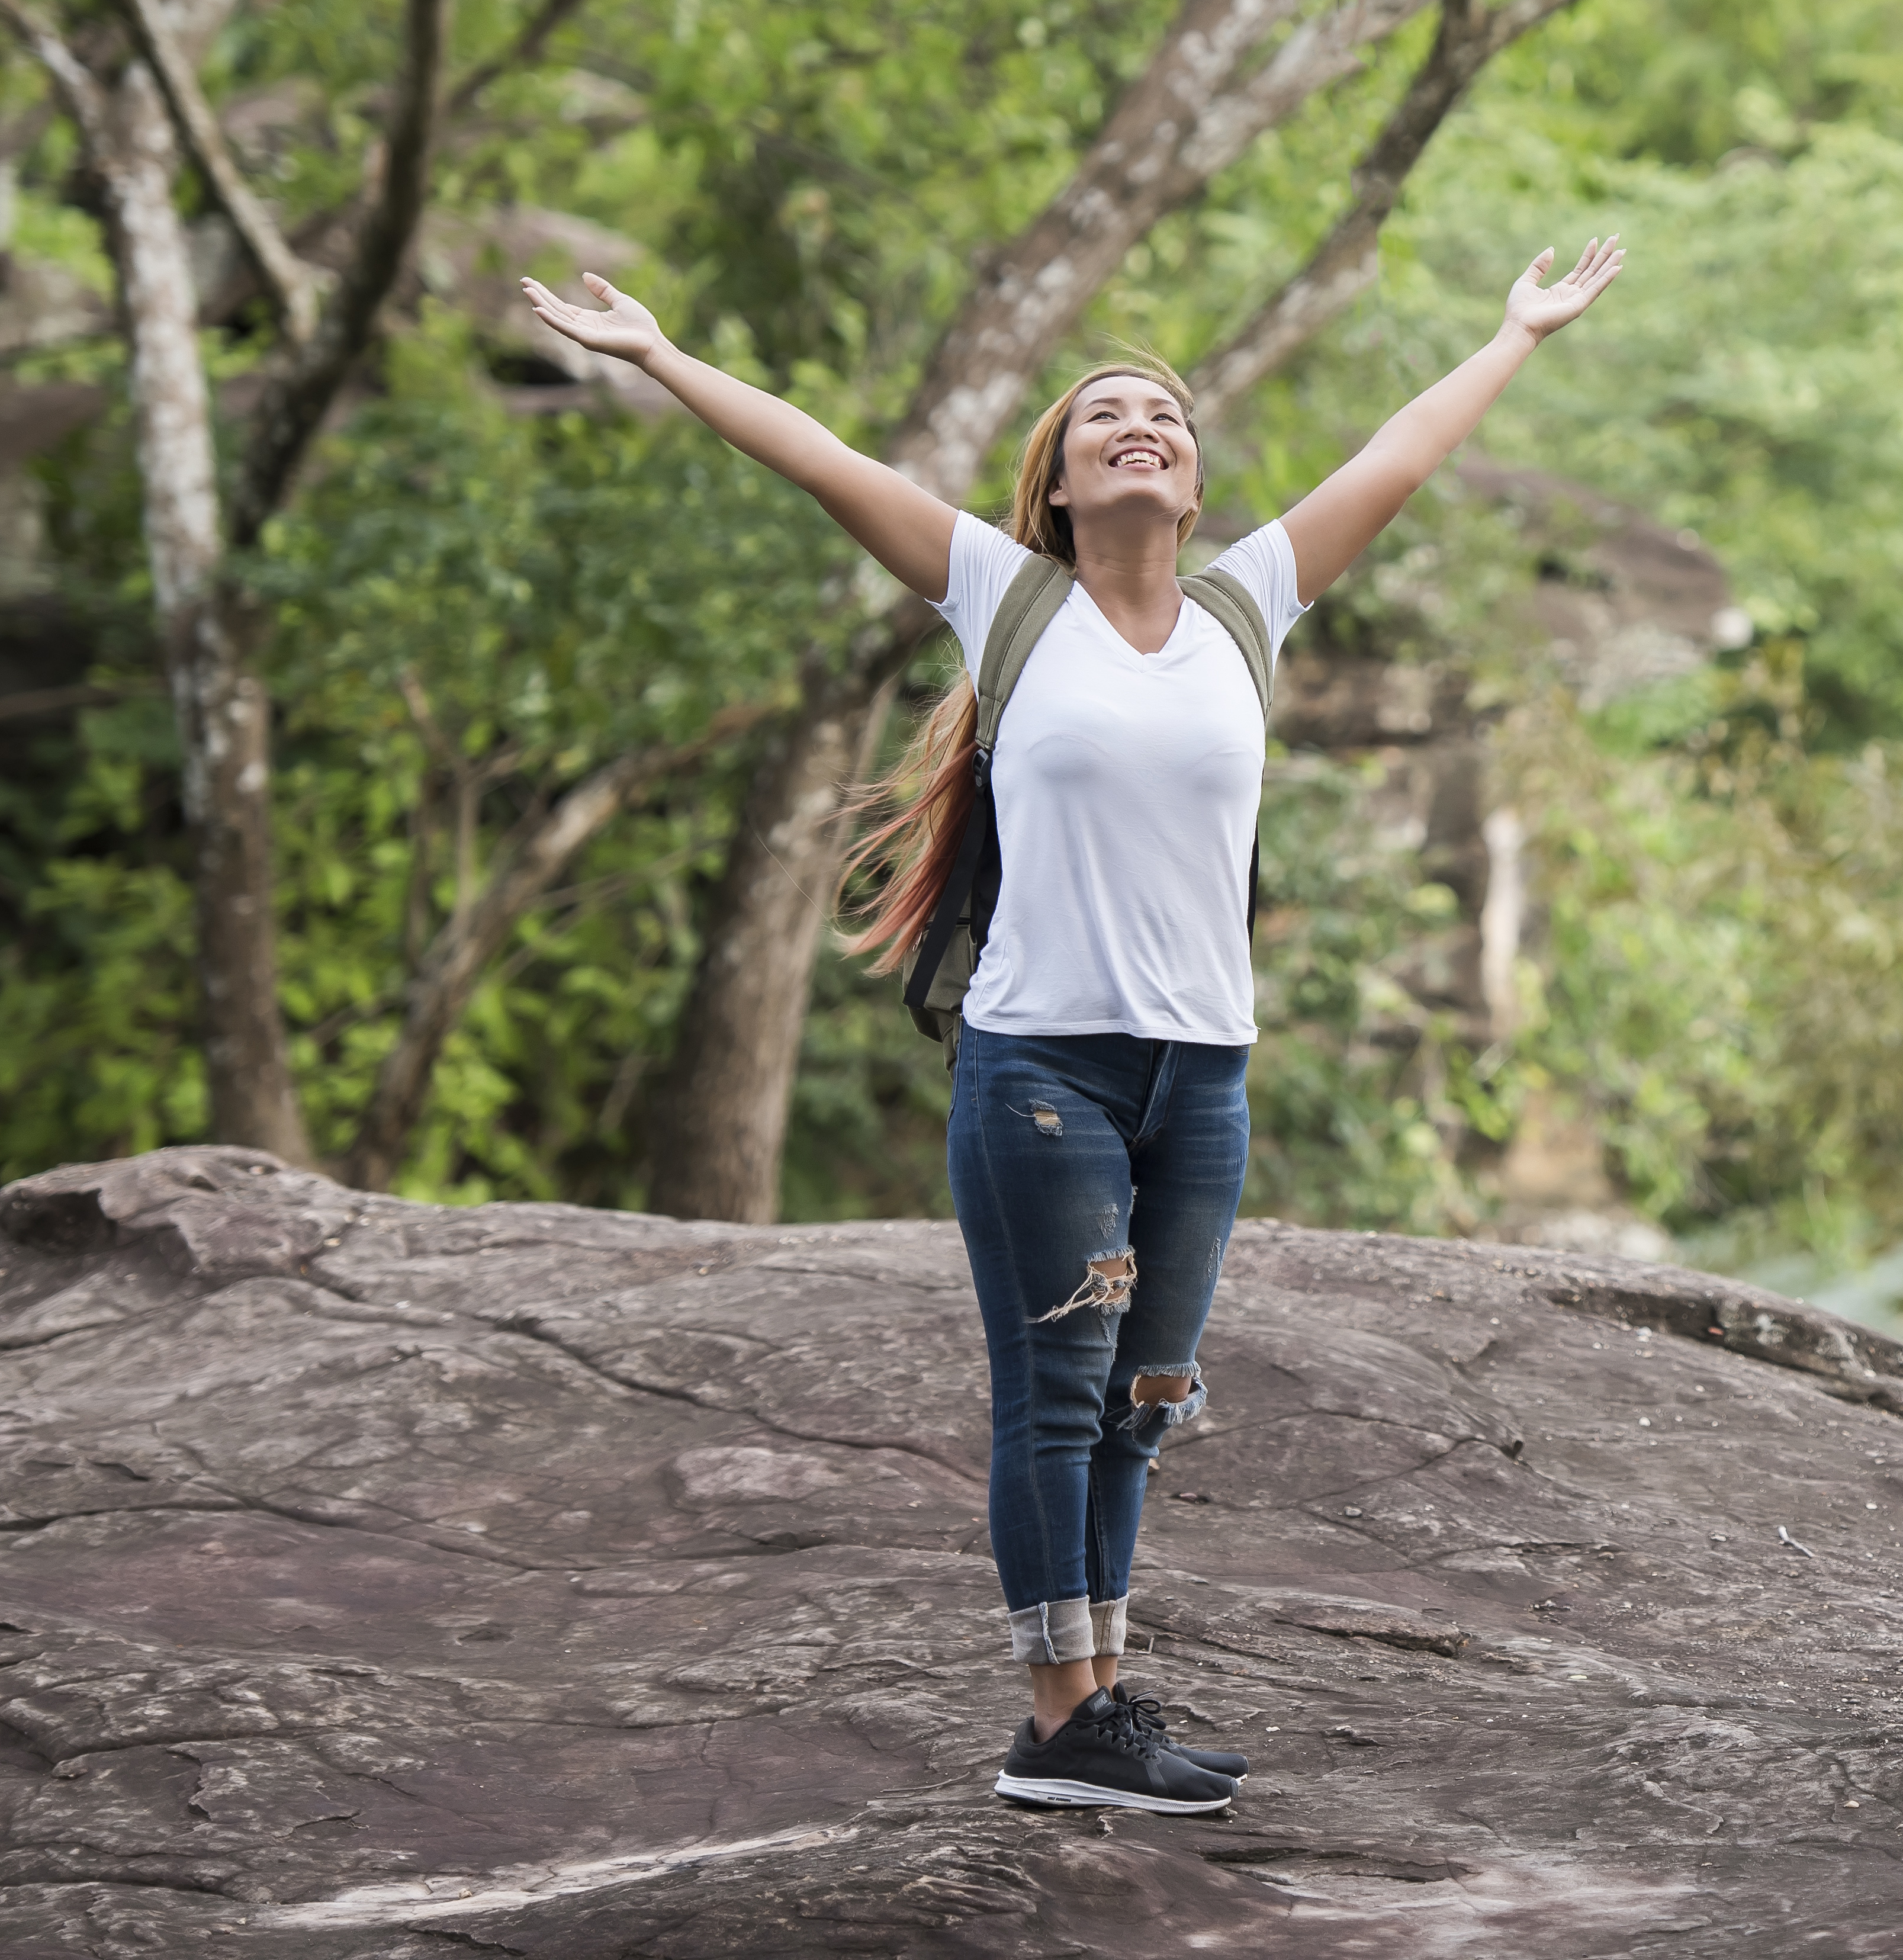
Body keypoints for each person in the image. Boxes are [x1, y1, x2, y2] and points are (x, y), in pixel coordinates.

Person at [520, 237, 1629, 1811]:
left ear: (1192, 490)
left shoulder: (1252, 603)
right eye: (1106, 414)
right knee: (1055, 1394)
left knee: (1141, 1401)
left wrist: (1518, 332)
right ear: (1057, 484)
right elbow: (824, 455)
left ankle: (1102, 1696)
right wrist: (661, 355)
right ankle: (1057, 1721)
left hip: (1206, 1081)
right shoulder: (1006, 596)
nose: (1140, 427)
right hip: (1047, 1071)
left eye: (1165, 422)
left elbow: (1399, 452)